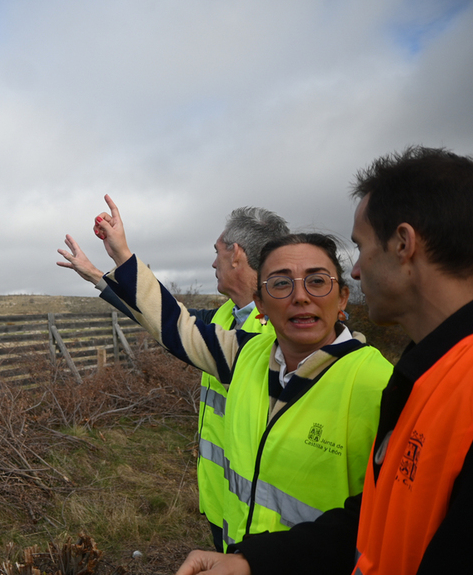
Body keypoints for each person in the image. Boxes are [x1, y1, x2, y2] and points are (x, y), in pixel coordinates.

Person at [174, 146, 473, 575]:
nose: (356, 269)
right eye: (280, 284)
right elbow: (372, 518)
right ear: (260, 302)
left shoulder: (399, 381)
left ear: (403, 244)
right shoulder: (425, 376)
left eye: (361, 245)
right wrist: (252, 562)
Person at [58, 196, 392, 549]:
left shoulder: (379, 385)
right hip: (237, 537)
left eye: (317, 281)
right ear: (262, 302)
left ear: (342, 298)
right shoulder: (246, 351)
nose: (300, 297)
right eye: (281, 284)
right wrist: (114, 261)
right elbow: (172, 322)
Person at [58, 206, 290, 552]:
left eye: (217, 252)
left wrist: (123, 254)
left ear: (236, 254)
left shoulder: (278, 334)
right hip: (223, 500)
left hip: (266, 519)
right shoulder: (227, 316)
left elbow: (169, 322)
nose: (213, 263)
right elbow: (162, 318)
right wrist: (97, 275)